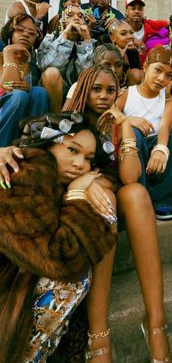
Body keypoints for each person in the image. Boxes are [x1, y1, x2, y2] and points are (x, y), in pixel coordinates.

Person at [63, 64, 172, 362]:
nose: (103, 96)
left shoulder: (116, 120)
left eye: (110, 90)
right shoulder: (67, 123)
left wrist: (125, 127)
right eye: (97, 89)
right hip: (85, 208)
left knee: (135, 193)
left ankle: (157, 326)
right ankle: (99, 338)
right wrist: (84, 180)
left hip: (117, 202)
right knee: (108, 198)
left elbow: (130, 176)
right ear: (84, 88)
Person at [0, 111, 117, 363]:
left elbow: (118, 176)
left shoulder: (53, 175)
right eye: (72, 150)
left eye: (88, 159)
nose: (80, 164)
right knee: (71, 280)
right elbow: (60, 260)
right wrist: (76, 194)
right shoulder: (29, 172)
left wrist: (86, 185)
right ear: (49, 144)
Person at [116, 47, 172, 220]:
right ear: (145, 66)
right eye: (158, 70)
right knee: (134, 133)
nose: (162, 78)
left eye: (168, 75)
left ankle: (161, 199)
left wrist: (161, 149)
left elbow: (165, 125)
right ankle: (142, 197)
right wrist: (129, 120)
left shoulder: (169, 99)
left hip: (155, 144)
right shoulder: (127, 94)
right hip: (134, 149)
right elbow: (111, 115)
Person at [0, 14, 51, 147]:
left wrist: (28, 89)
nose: (26, 34)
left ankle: (30, 148)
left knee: (39, 93)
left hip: (20, 119)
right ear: (10, 33)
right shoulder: (2, 56)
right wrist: (8, 52)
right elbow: (6, 88)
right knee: (19, 95)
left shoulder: (34, 67)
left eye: (32, 33)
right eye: (20, 30)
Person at [37, 5, 95, 101]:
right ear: (61, 21)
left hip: (77, 93)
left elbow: (86, 74)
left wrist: (86, 42)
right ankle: (56, 115)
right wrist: (66, 38)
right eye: (70, 15)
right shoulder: (49, 39)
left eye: (80, 16)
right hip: (53, 91)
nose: (76, 18)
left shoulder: (89, 42)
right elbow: (48, 67)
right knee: (51, 73)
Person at [124, 0, 168, 65]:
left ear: (143, 11)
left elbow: (171, 24)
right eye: (133, 8)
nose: (137, 11)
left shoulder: (151, 25)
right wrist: (133, 39)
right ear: (126, 11)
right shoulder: (120, 27)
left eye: (140, 8)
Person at [107, 19, 143, 85]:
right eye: (123, 34)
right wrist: (119, 58)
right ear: (112, 38)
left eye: (131, 32)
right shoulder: (106, 53)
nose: (130, 36)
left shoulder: (133, 52)